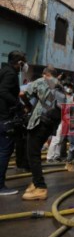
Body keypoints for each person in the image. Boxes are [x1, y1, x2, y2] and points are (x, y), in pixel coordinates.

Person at [21, 66, 66, 200]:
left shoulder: (42, 81)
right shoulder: (60, 86)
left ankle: (40, 187)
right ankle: (36, 182)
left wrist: (27, 105)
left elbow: (23, 94)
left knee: (32, 154)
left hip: (39, 121)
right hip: (50, 124)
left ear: (45, 74)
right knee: (35, 152)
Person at [0, 51, 27, 196]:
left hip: (2, 117)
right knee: (5, 152)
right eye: (24, 62)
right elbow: (3, 91)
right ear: (19, 63)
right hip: (6, 118)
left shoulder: (4, 70)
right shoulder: (10, 74)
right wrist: (17, 104)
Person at [46, 80, 74, 163]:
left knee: (61, 139)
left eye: (70, 87)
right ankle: (49, 157)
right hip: (60, 120)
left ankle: (56, 156)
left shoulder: (70, 97)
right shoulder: (59, 96)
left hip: (66, 120)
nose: (68, 88)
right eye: (67, 86)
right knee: (56, 139)